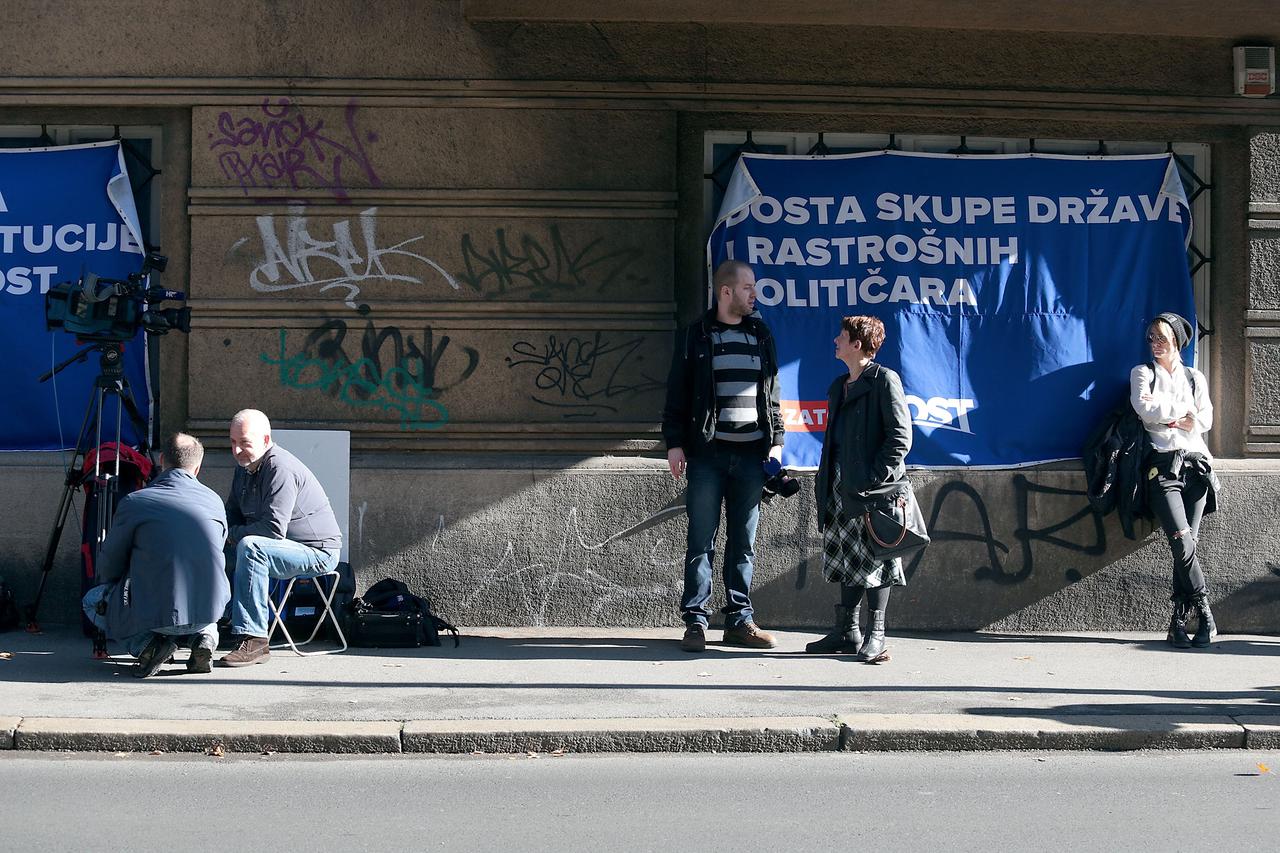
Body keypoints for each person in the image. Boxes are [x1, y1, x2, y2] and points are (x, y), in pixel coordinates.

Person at [662, 259, 785, 653]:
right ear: (726, 291)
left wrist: (777, 439)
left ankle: (740, 621)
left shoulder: (761, 334)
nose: (754, 294)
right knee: (701, 539)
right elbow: (677, 391)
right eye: (748, 287)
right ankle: (695, 623)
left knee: (743, 542)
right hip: (708, 454)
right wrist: (674, 441)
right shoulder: (696, 335)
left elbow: (773, 392)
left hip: (751, 455)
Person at [806, 316, 912, 662]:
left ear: (857, 343)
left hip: (872, 490)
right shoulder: (840, 385)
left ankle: (876, 635)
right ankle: (846, 631)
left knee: (877, 558)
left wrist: (873, 479)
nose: (835, 340)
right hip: (840, 487)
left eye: (842, 336)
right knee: (848, 557)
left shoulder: (884, 380)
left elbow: (900, 437)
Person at [81, 433, 229, 678]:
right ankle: (205, 638)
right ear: (198, 467)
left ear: (162, 460)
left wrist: (111, 586)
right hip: (209, 609)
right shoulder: (214, 501)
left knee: (92, 601)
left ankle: (148, 646)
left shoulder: (136, 502)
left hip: (155, 612)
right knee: (194, 603)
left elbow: (111, 560)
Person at [219, 409, 342, 667]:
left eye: (245, 443)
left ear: (265, 440)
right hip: (278, 546)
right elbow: (231, 512)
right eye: (233, 442)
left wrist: (231, 534)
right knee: (213, 544)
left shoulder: (280, 467)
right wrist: (223, 533)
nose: (237, 450)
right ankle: (206, 627)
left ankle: (254, 639)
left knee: (251, 547)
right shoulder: (245, 466)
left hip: (317, 552)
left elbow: (272, 531)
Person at [1131, 312, 1218, 649]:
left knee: (1188, 545)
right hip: (1163, 468)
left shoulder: (1195, 377)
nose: (1154, 344)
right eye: (1151, 337)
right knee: (1181, 542)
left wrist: (1180, 414)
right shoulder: (1142, 374)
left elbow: (1206, 419)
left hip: (1196, 467)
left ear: (1178, 342)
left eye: (1161, 339)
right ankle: (1206, 613)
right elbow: (1144, 409)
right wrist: (1181, 414)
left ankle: (1177, 623)